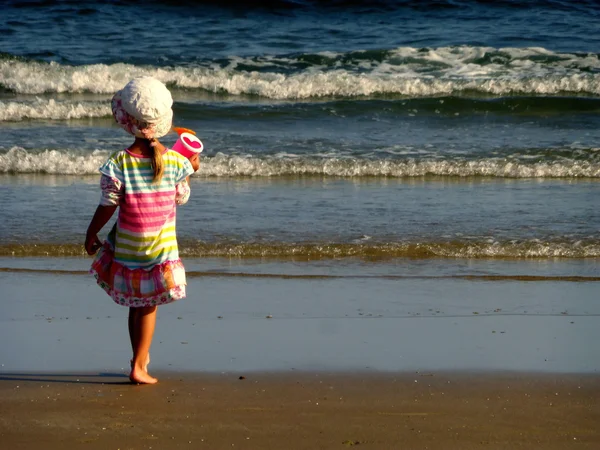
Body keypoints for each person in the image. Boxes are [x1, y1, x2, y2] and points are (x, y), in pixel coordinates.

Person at [85, 77, 199, 384]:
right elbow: (181, 197)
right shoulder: (175, 161)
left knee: (138, 306)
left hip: (129, 247)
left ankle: (140, 356)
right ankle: (138, 365)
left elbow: (108, 204)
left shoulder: (119, 162)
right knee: (147, 308)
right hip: (159, 249)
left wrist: (91, 232)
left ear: (127, 122)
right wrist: (192, 169)